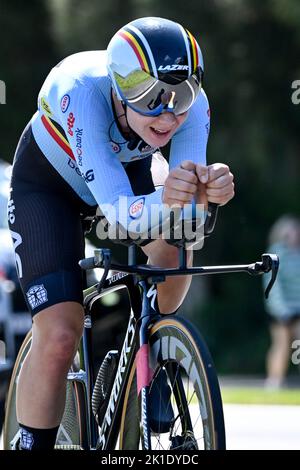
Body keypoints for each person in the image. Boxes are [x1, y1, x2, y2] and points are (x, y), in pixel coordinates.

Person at [8, 17, 234, 450]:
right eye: (150, 98)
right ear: (119, 88)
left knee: (174, 249)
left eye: (181, 95)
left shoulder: (194, 108)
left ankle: (142, 358)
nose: (168, 114)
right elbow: (120, 211)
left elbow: (184, 208)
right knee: (59, 332)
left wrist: (206, 192)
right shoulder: (82, 92)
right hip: (50, 187)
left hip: (128, 177)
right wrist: (179, 197)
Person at [264, 215, 300, 389]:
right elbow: (273, 285)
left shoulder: (297, 254)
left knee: (298, 345)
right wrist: (280, 310)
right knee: (282, 345)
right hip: (280, 310)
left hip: (297, 307)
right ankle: (274, 381)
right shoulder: (276, 252)